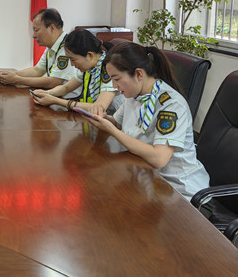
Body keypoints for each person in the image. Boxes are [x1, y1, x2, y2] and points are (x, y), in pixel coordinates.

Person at [80, 41, 209, 201]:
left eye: (117, 79)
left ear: (139, 74)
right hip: (145, 177)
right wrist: (101, 117)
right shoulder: (134, 94)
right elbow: (117, 123)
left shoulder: (171, 105)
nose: (114, 86)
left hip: (178, 190)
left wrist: (112, 130)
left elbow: (159, 158)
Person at [31, 29, 123, 115]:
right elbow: (66, 88)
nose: (72, 64)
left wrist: (55, 101)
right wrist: (47, 93)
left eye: (73, 59)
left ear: (90, 55)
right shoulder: (90, 67)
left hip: (115, 120)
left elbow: (99, 107)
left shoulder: (109, 68)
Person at [0, 8, 80, 98]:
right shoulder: (52, 46)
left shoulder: (67, 46)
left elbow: (54, 81)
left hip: (69, 101)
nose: (34, 35)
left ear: (52, 28)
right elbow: (37, 70)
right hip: (55, 98)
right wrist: (12, 74)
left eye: (36, 30)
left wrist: (16, 79)